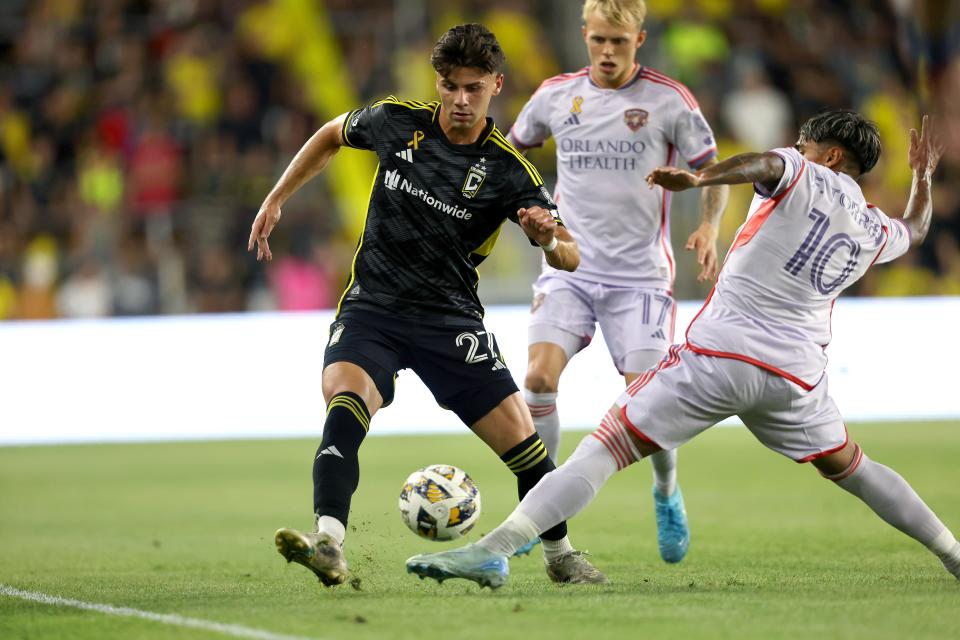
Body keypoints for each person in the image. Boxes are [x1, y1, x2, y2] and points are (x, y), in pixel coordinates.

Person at [405, 111, 960, 588]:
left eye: (806, 146)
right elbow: (916, 226)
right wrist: (923, 177)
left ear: (831, 155)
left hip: (719, 356)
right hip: (796, 379)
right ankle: (953, 555)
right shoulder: (871, 227)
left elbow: (762, 165)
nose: (796, 150)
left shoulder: (803, 172)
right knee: (851, 465)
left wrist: (700, 178)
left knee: (603, 449)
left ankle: (492, 549)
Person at [250, 23, 604, 587]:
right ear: (437, 83)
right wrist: (276, 198)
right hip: (375, 309)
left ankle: (561, 556)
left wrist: (546, 238)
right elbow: (329, 134)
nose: (461, 100)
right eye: (450, 86)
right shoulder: (397, 122)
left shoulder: (510, 170)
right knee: (345, 399)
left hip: (450, 322)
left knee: (526, 451)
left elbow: (571, 256)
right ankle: (328, 542)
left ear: (496, 86)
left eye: (474, 88)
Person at [506, 0, 729, 564]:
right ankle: (543, 504)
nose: (607, 52)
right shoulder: (555, 95)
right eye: (599, 40)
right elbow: (512, 153)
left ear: (640, 39)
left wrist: (708, 224)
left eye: (620, 43)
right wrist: (525, 210)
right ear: (585, 35)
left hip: (640, 278)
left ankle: (665, 489)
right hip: (570, 266)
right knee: (536, 377)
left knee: (648, 402)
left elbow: (712, 166)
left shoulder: (670, 101)